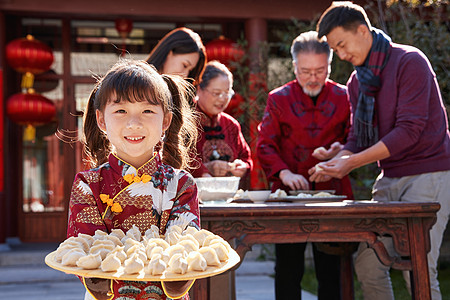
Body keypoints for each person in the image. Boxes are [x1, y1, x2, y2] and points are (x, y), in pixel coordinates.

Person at [311, 2, 450, 300]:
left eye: (341, 45)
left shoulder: (410, 61)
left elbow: (409, 131)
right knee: (368, 265)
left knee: (419, 268)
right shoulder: (357, 81)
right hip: (390, 178)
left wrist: (351, 162)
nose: (342, 55)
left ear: (362, 31)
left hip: (428, 175)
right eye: (336, 50)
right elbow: (359, 138)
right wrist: (336, 158)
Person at [67, 59, 200, 300]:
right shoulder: (87, 185)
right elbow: (84, 255)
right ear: (101, 120)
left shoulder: (182, 185)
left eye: (147, 110)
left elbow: (184, 251)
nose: (134, 123)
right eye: (120, 110)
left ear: (166, 121)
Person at [256, 30, 353, 300]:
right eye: (306, 71)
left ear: (330, 66)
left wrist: (340, 150)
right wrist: (284, 172)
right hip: (288, 195)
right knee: (288, 269)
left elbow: (356, 140)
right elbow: (264, 145)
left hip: (332, 193)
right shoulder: (279, 98)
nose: (313, 78)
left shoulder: (345, 96)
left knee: (332, 269)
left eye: (320, 71)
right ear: (294, 66)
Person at [192, 60, 252, 179]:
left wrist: (243, 166)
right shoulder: (184, 123)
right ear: (199, 89)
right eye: (216, 93)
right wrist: (205, 169)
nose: (222, 99)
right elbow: (175, 161)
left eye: (227, 93)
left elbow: (246, 158)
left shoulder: (231, 125)